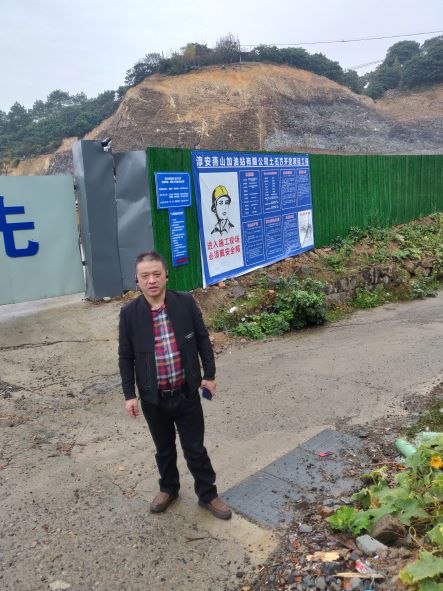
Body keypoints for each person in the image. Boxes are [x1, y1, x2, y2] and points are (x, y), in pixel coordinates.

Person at [118, 250, 232, 519]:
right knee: (164, 449)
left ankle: (208, 494)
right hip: (153, 397)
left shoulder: (185, 302)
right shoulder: (130, 313)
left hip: (186, 392)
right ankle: (168, 488)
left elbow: (202, 339)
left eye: (157, 274)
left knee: (195, 448)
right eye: (145, 276)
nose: (152, 280)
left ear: (166, 275)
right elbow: (125, 356)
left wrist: (209, 375)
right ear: (137, 280)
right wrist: (129, 394)